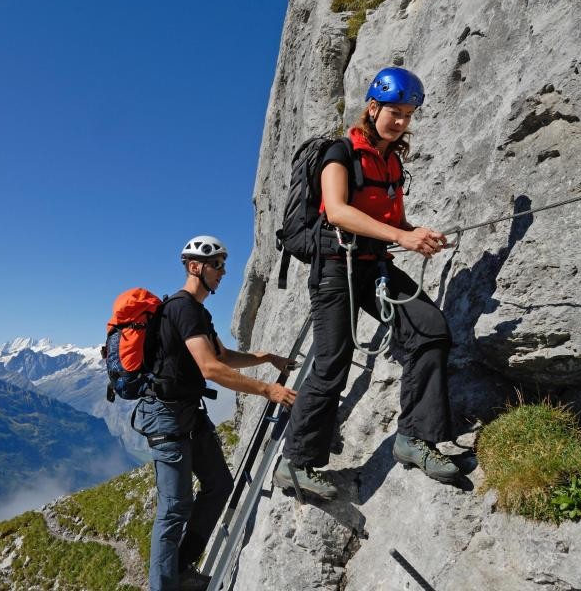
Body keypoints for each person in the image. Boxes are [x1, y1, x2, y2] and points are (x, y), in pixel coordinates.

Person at [274, 67, 460, 500]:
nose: (400, 121)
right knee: (332, 362)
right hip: (337, 267)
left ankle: (414, 438)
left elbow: (391, 221)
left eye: (408, 114)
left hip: (373, 264)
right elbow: (336, 211)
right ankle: (296, 463)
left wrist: (417, 233)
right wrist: (402, 237)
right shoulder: (340, 152)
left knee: (429, 328)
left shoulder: (392, 162)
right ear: (372, 107)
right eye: (394, 111)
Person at [137, 234, 297, 591]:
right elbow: (211, 369)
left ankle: (179, 568)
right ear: (196, 267)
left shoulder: (198, 313)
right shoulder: (182, 308)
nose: (224, 272)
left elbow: (224, 357)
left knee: (220, 485)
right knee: (175, 508)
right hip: (165, 417)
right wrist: (267, 389)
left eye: (223, 265)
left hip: (186, 414)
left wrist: (267, 357)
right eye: (217, 265)